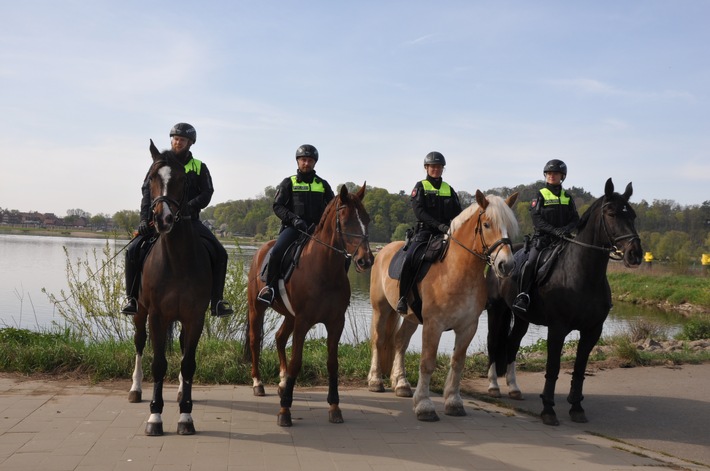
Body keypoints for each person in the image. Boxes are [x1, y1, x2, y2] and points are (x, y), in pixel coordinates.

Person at [121, 123, 233, 317]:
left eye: (182, 139)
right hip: (160, 220)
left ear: (190, 143)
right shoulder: (159, 163)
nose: (177, 142)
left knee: (220, 253)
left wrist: (188, 207)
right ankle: (131, 299)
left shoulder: (199, 167)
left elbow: (207, 193)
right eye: (175, 138)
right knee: (132, 250)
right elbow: (147, 193)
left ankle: (217, 301)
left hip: (190, 221)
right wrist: (143, 219)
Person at [257, 144, 335, 305]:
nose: (306, 163)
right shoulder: (289, 182)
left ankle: (337, 290)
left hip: (316, 231)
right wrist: (294, 219)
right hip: (293, 228)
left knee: (341, 254)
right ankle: (270, 288)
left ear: (315, 163)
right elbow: (277, 206)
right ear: (298, 162)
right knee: (277, 251)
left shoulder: (323, 184)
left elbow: (332, 208)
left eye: (310, 160)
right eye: (303, 160)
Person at [396, 151, 463, 314]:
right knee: (411, 257)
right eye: (433, 166)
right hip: (425, 233)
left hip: (447, 233)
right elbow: (420, 212)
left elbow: (458, 212)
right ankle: (403, 297)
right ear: (426, 168)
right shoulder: (420, 187)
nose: (436, 169)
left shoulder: (449, 189)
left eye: (439, 167)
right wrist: (439, 226)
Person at [512, 159, 580, 313]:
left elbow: (575, 219)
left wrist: (565, 229)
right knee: (531, 263)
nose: (551, 176)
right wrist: (554, 231)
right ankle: (523, 296)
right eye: (549, 173)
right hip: (542, 239)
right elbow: (537, 219)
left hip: (564, 239)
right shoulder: (540, 194)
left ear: (562, 176)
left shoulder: (567, 197)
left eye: (555, 173)